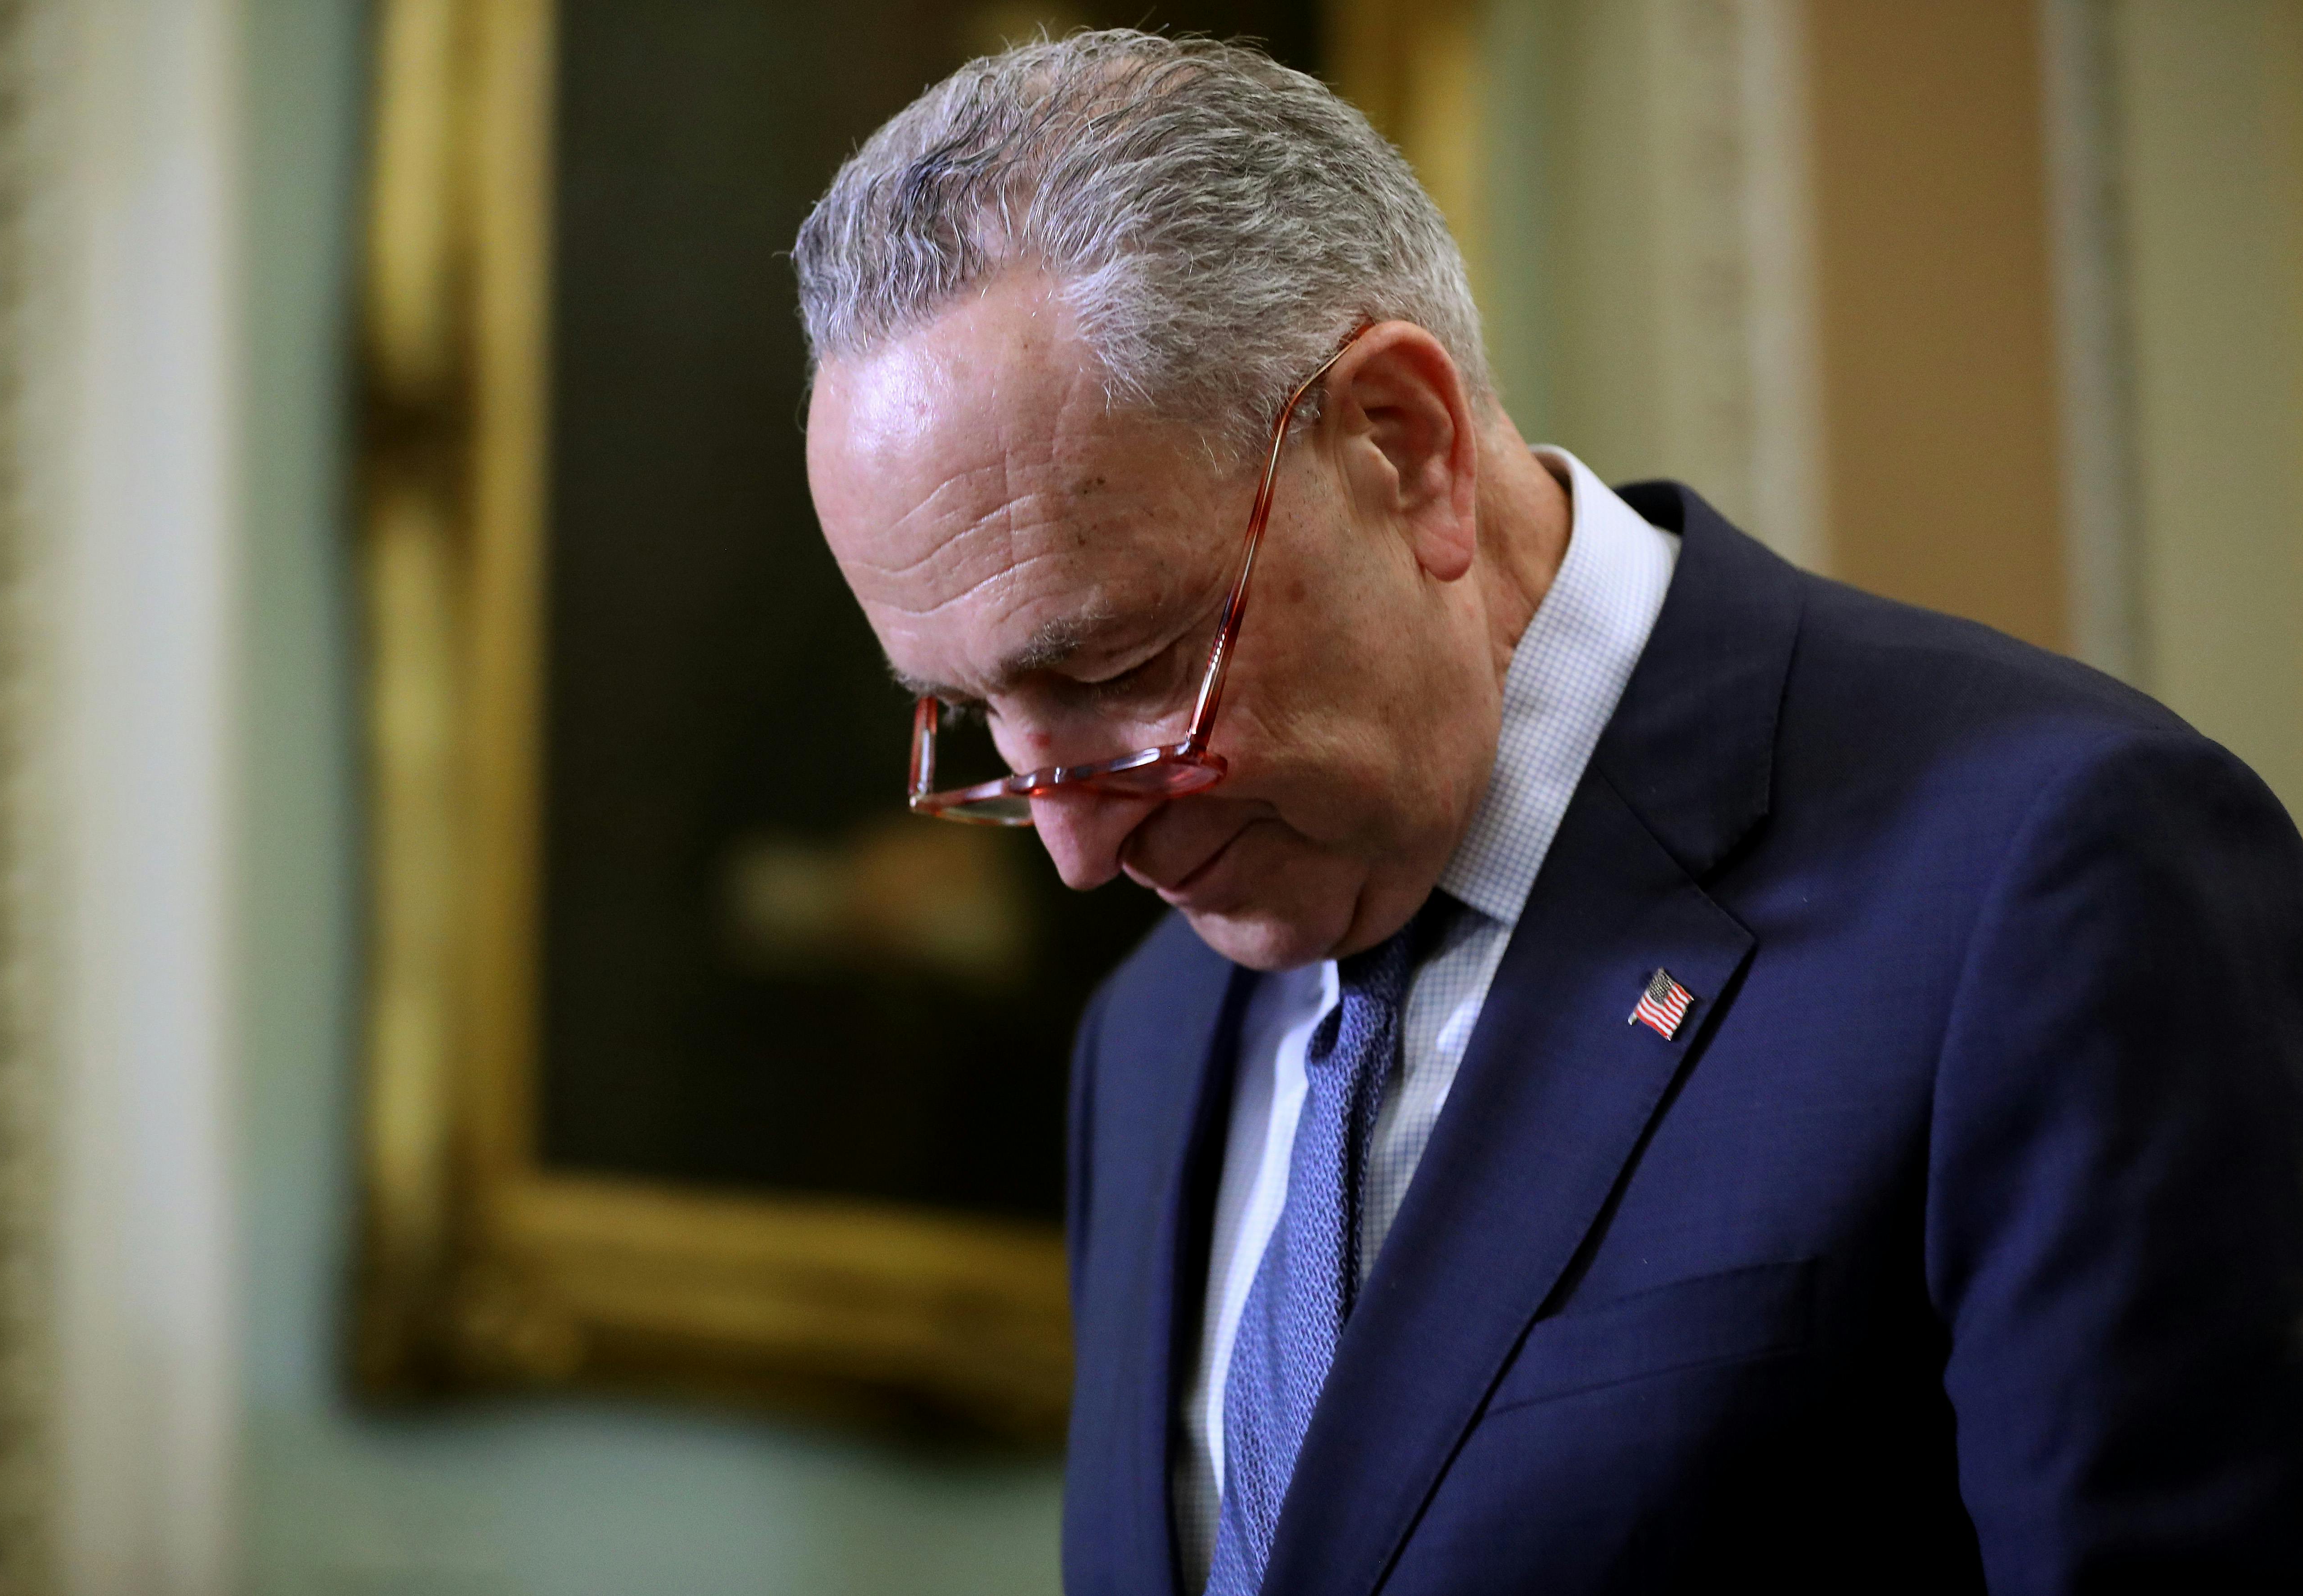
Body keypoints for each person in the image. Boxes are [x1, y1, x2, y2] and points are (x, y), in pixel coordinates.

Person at [792, 30, 2303, 1596]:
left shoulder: (2043, 880)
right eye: (977, 719)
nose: (1073, 846)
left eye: (1124, 667)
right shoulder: (1155, 1034)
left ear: (1403, 444)